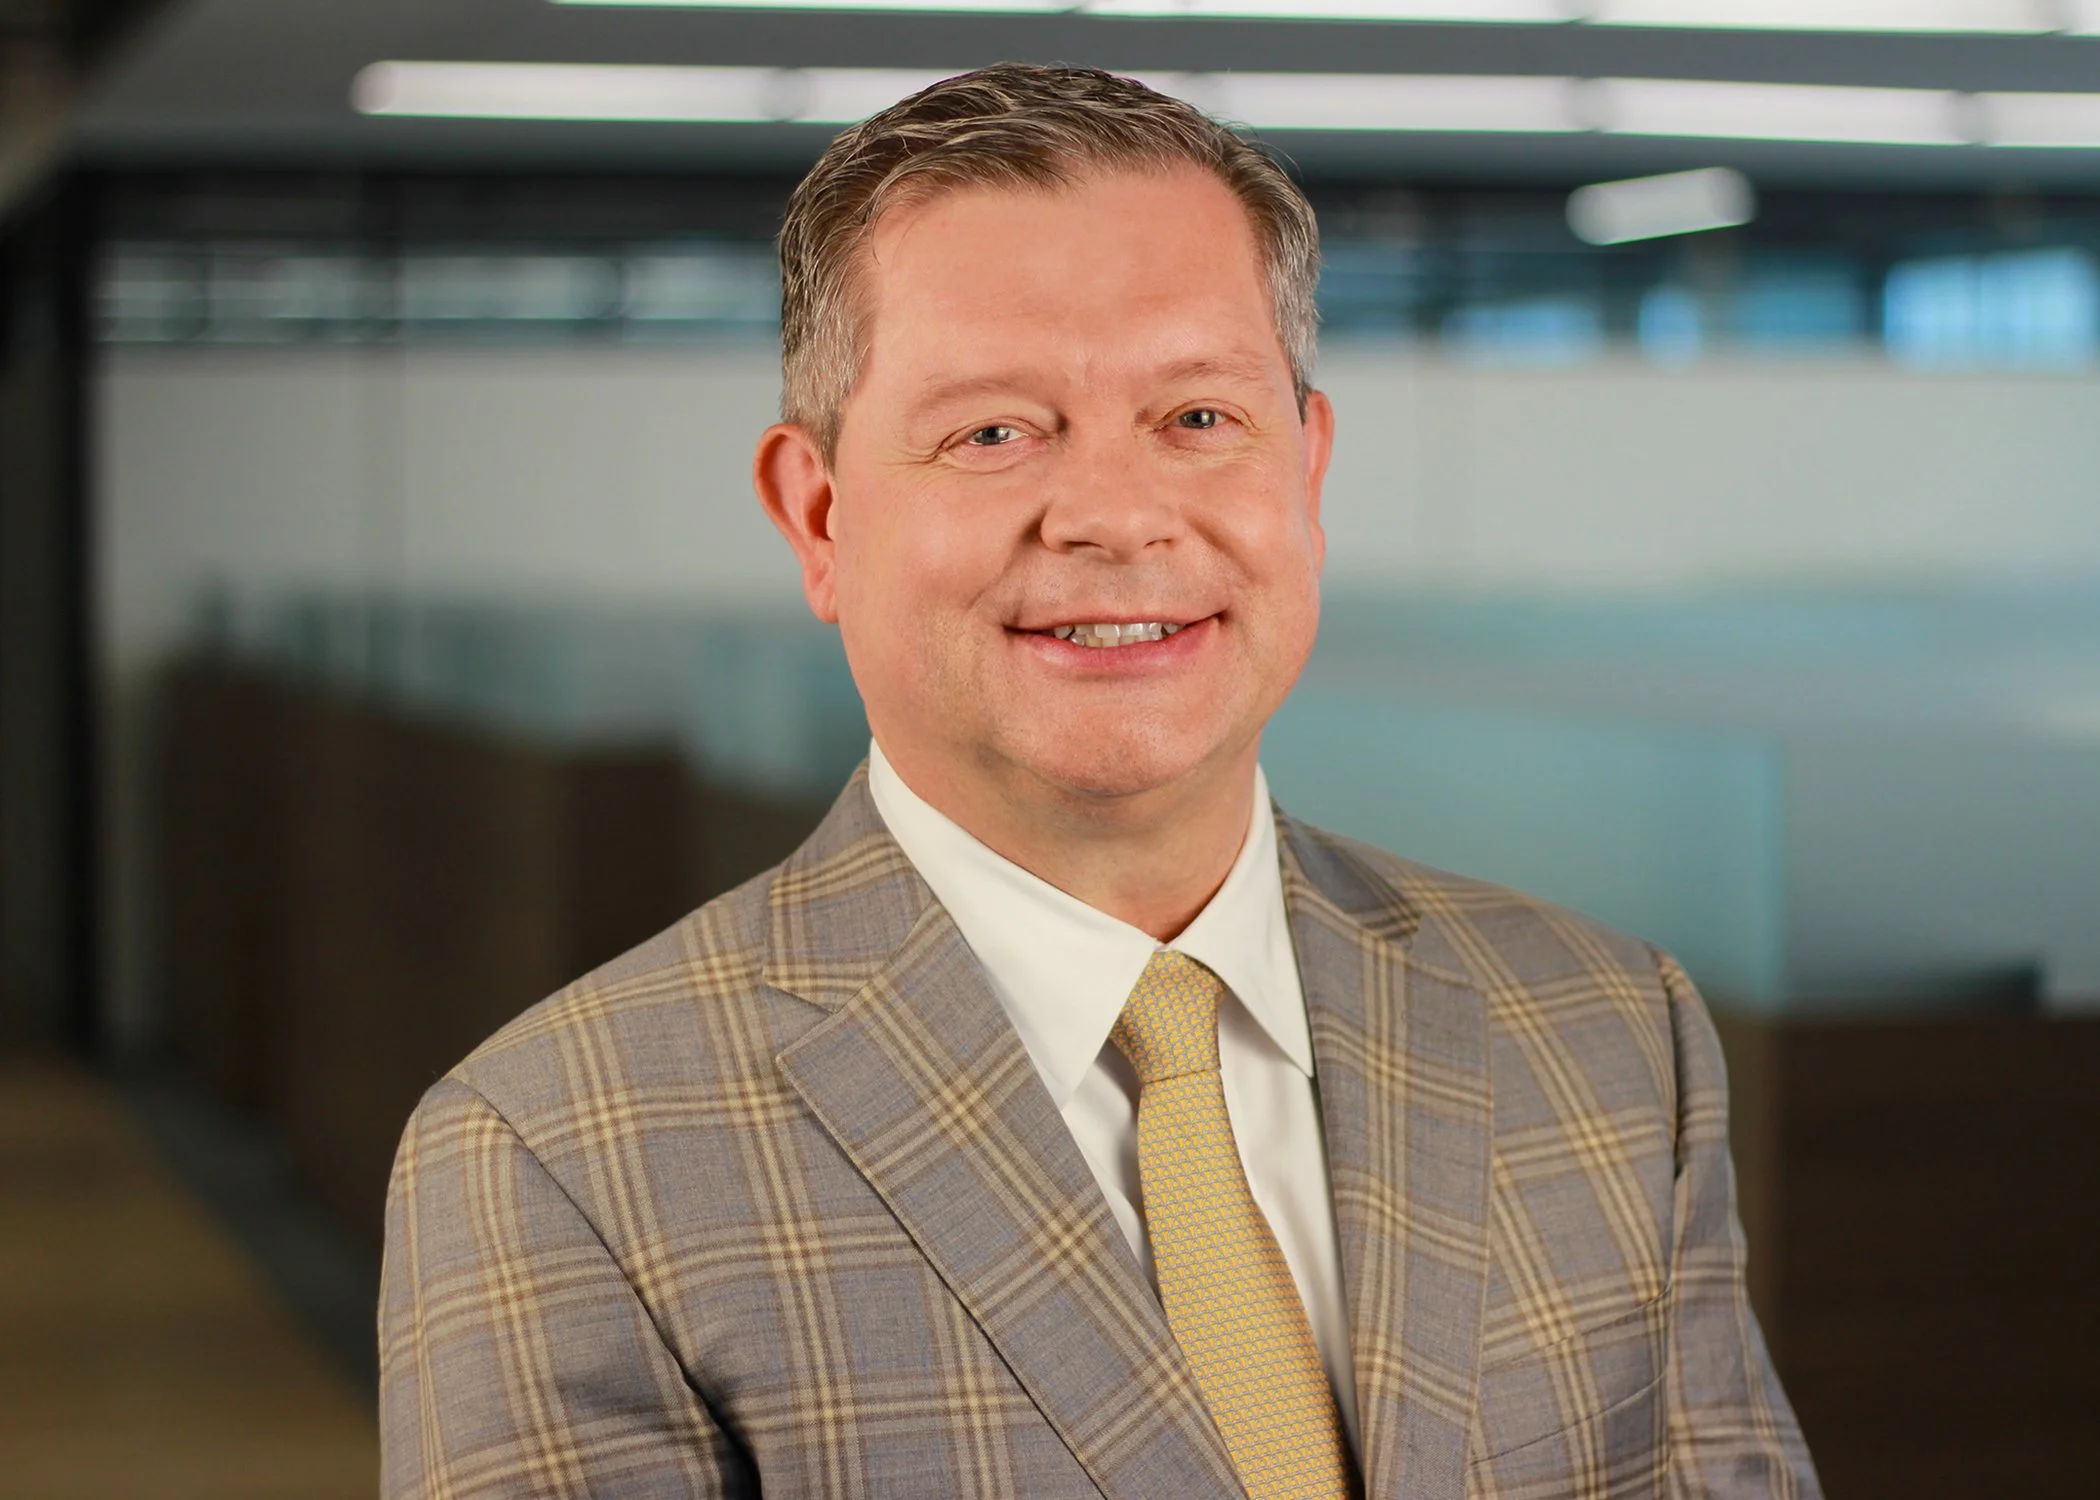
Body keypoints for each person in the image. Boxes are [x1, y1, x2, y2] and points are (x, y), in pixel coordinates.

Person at [379, 63, 1819, 1499]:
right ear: (817, 517)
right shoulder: (557, 1158)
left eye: (1198, 417)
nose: (1119, 516)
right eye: (994, 431)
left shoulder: (1612, 1037)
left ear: (1305, 475)